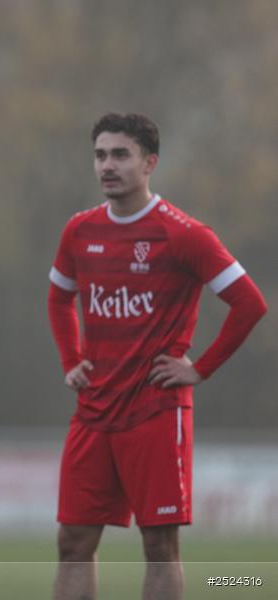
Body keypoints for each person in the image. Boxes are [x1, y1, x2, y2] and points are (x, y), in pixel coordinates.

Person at [47, 113, 267, 600]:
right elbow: (59, 295)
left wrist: (198, 368)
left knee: (160, 545)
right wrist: (71, 359)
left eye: (120, 155)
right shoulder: (80, 231)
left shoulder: (183, 234)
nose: (108, 165)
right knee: (72, 542)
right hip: (94, 411)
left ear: (150, 162)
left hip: (155, 411)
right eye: (101, 155)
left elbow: (250, 302)